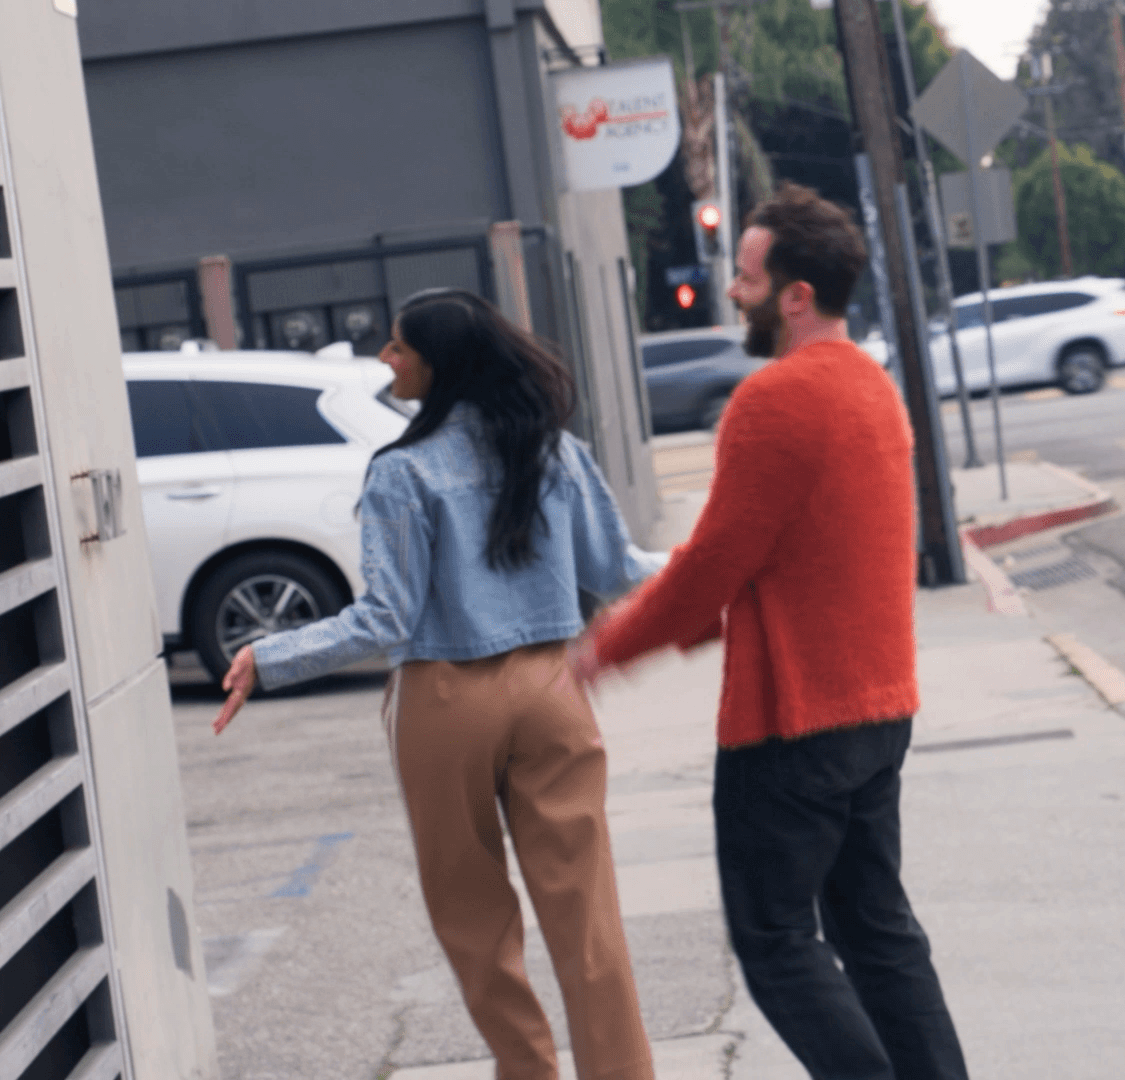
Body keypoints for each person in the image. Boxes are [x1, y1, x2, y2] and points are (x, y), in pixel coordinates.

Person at [213, 289, 665, 1080]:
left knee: (473, 914)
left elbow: (385, 619)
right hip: (553, 691)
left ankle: (527, 1071)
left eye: (397, 347)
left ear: (439, 362)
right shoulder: (553, 451)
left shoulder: (402, 473)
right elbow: (619, 571)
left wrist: (272, 656)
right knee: (587, 913)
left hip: (447, 701)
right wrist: (728, 573)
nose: (384, 359)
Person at [572, 183, 970, 1080]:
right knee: (876, 931)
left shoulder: (775, 401)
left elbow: (714, 562)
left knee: (777, 944)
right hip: (878, 711)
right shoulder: (873, 388)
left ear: (796, 294)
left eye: (747, 278)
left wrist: (607, 649)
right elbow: (796, 554)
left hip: (794, 724)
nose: (733, 294)